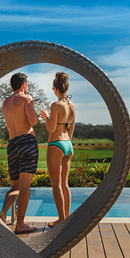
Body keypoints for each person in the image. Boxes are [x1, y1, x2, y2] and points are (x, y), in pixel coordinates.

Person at [0, 73, 39, 235]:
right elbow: (32, 121)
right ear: (23, 84)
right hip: (26, 142)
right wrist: (38, 113)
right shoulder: (26, 99)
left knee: (15, 186)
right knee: (25, 186)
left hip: (12, 144)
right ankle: (20, 223)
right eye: (27, 83)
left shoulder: (5, 102)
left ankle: (2, 213)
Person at [40, 72, 76, 228]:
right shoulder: (72, 106)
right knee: (65, 183)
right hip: (68, 145)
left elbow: (51, 128)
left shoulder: (55, 105)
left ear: (55, 89)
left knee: (56, 185)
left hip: (56, 144)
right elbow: (71, 130)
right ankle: (66, 217)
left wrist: (45, 116)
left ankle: (61, 219)